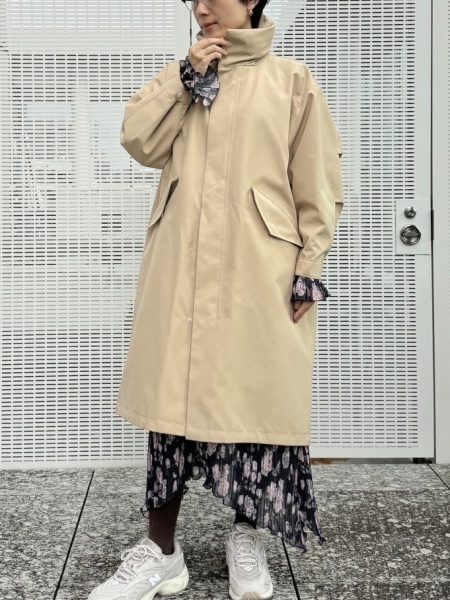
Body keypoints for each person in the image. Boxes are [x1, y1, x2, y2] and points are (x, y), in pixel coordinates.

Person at [88, 0, 344, 599]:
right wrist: (183, 78)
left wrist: (309, 267)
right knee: (170, 408)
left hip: (259, 270)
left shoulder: (291, 82)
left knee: (254, 405)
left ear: (251, 1)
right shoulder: (187, 75)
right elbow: (138, 140)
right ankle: (161, 552)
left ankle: (247, 538)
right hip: (181, 268)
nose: (201, 8)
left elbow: (318, 183)